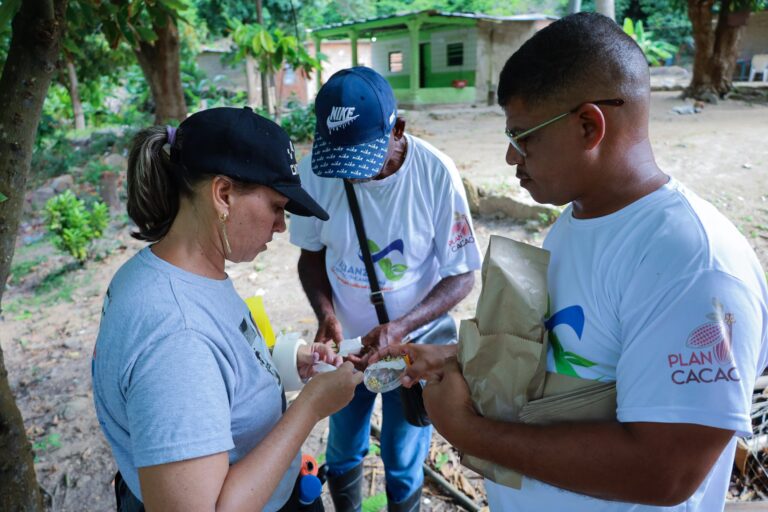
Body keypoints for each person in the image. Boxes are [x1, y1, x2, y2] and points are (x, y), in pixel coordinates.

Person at [372, 13, 768, 511]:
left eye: (523, 136)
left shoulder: (692, 264)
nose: (512, 158)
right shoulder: (575, 222)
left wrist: (468, 431)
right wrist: (457, 359)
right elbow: (569, 355)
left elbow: (664, 471)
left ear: (588, 126)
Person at [91, 106, 363, 512]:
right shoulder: (177, 336)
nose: (281, 226)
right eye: (276, 207)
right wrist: (310, 408)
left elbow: (209, 378)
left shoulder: (171, 273)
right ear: (223, 194)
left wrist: (282, 363)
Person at [289, 67, 482, 511]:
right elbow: (310, 255)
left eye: (361, 157)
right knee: (342, 447)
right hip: (348, 348)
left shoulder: (435, 175)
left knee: (402, 454)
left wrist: (402, 327)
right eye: (339, 157)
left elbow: (462, 275)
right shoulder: (317, 171)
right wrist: (326, 315)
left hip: (414, 348)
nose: (349, 174)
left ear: (398, 131)